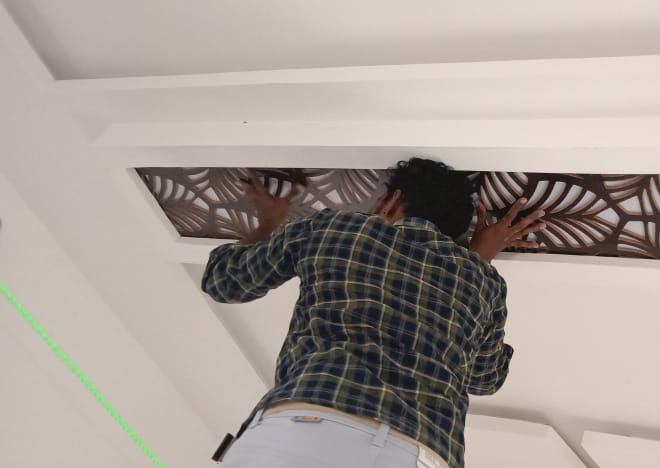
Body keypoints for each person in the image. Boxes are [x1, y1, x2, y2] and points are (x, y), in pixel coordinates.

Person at [202, 158, 544, 468]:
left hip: (327, 423)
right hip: (403, 445)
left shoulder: (334, 229)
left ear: (392, 200)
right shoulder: (481, 281)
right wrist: (476, 266)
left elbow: (223, 281)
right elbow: (486, 379)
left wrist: (268, 223)